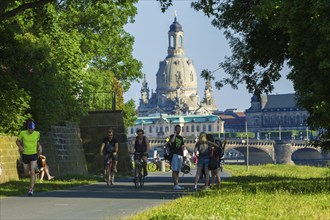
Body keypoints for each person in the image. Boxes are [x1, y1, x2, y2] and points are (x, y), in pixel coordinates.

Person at [16, 121, 42, 196]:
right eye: (30, 129)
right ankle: (33, 177)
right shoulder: (23, 133)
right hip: (25, 154)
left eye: (32, 129)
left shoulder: (37, 133)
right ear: (27, 128)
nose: (31, 131)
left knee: (32, 171)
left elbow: (37, 142)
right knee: (26, 173)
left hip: (33, 154)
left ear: (34, 129)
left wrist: (39, 146)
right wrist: (20, 146)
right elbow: (17, 141)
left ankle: (31, 189)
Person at [169, 124, 185, 190]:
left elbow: (182, 147)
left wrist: (183, 156)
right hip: (174, 154)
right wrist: (175, 134)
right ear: (175, 129)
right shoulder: (172, 136)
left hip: (180, 155)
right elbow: (172, 141)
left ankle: (177, 184)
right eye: (177, 129)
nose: (179, 130)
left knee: (178, 170)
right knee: (174, 170)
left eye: (179, 129)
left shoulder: (181, 138)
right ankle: (175, 184)